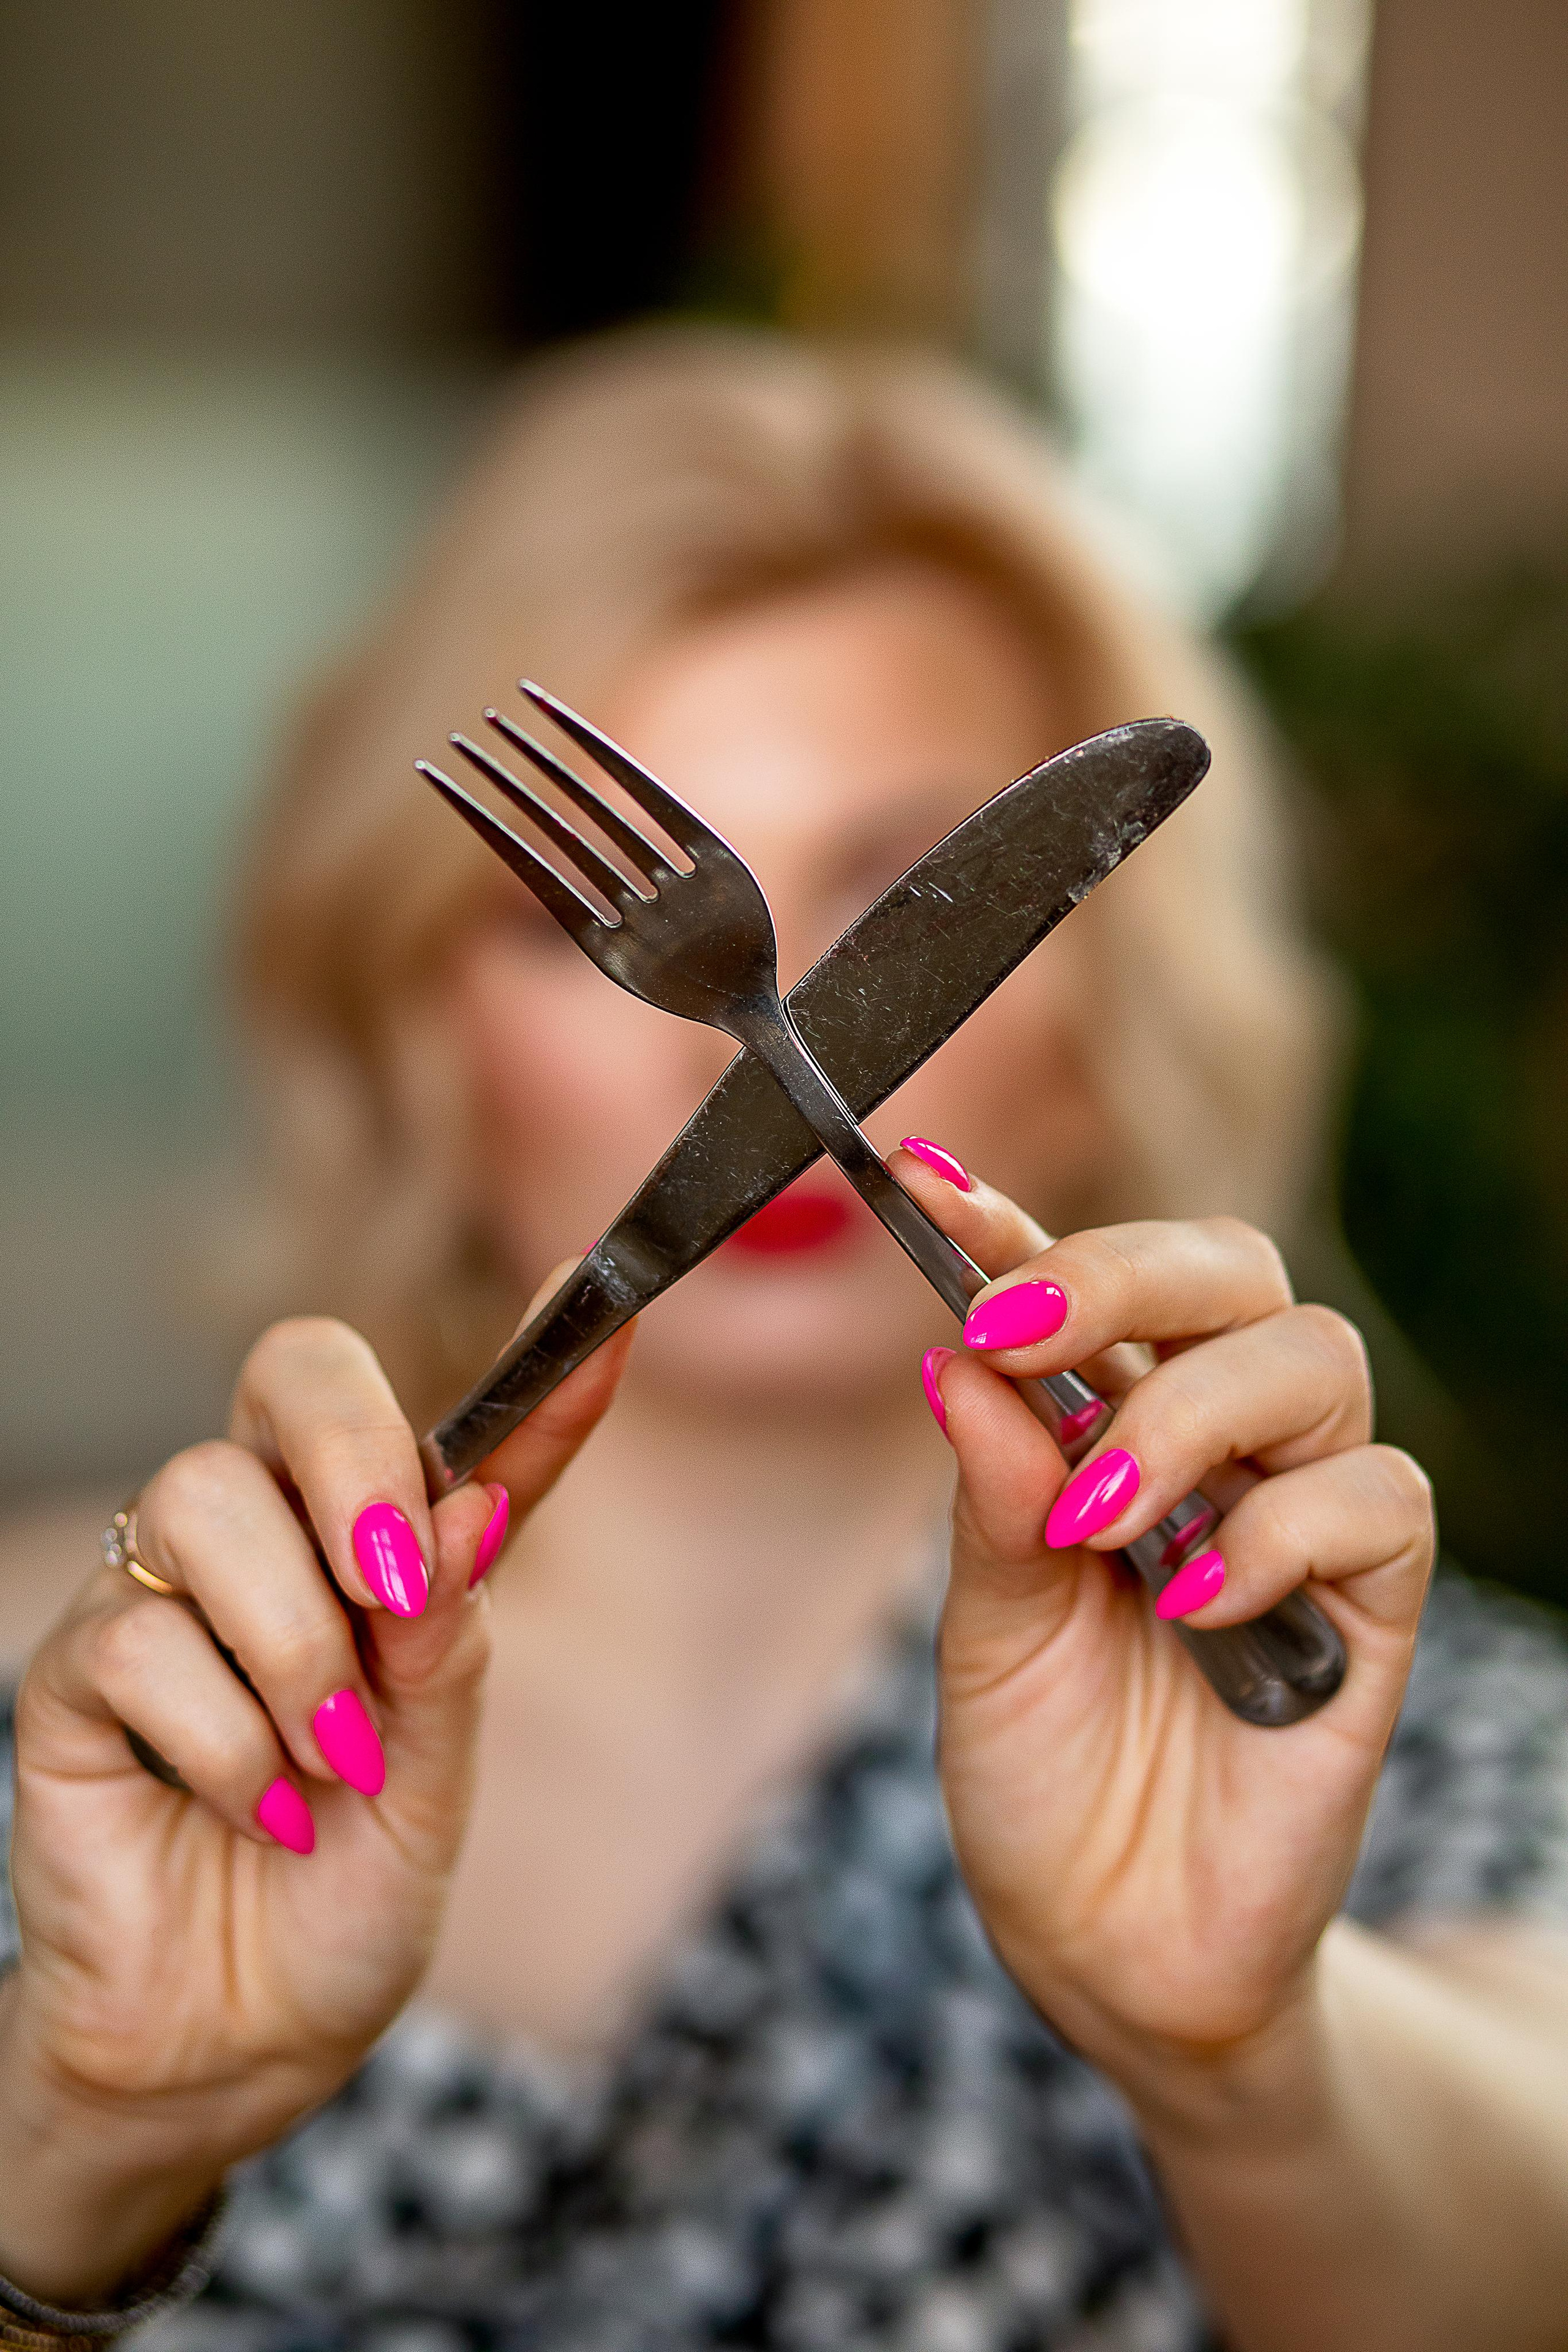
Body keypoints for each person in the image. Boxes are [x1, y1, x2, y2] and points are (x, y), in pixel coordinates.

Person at [1, 330, 1566, 2352]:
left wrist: (1252, 2068)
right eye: (561, 932)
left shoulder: (1394, 1727)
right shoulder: (100, 1723)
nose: (808, 1030)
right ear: (412, 1026)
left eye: (899, 891)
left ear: (1109, 1020)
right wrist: (73, 2148)